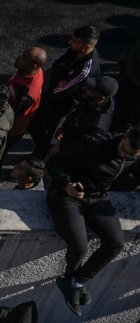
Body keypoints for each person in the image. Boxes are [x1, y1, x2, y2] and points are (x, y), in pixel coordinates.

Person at [45, 125, 138, 313]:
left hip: (97, 196)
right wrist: (67, 184)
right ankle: (68, 279)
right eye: (122, 148)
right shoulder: (94, 143)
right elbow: (54, 163)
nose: (122, 155)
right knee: (79, 246)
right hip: (67, 194)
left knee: (116, 243)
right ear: (126, 134)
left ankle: (76, 282)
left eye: (129, 155)